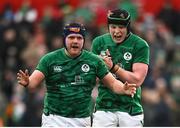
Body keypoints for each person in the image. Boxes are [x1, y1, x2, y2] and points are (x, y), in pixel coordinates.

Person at [17, 22, 137, 127]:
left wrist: (123, 88)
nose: (75, 41)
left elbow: (112, 83)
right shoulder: (49, 59)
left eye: (79, 38)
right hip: (54, 119)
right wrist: (27, 82)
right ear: (64, 39)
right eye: (71, 37)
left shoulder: (94, 61)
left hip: (81, 120)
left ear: (83, 41)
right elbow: (33, 83)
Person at [91, 9, 150, 127]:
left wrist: (113, 67)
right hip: (104, 108)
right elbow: (93, 79)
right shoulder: (99, 42)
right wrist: (99, 67)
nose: (117, 31)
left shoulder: (140, 45)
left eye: (121, 27)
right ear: (108, 27)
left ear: (128, 27)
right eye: (113, 27)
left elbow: (137, 80)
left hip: (130, 108)